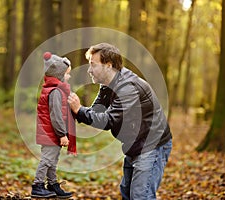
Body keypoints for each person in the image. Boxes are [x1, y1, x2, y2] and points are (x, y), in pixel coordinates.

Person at [67, 43, 172, 200]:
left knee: (140, 195)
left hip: (152, 145)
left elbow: (108, 120)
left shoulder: (127, 88)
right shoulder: (108, 84)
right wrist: (75, 111)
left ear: (108, 66)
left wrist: (79, 110)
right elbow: (96, 112)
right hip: (135, 145)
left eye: (93, 65)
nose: (89, 70)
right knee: (127, 192)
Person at [31, 52, 76, 199]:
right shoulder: (56, 91)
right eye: (67, 74)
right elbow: (56, 116)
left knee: (52, 161)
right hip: (52, 133)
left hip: (51, 134)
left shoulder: (55, 90)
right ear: (59, 75)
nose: (68, 77)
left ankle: (52, 184)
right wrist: (62, 134)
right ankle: (37, 185)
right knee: (47, 160)